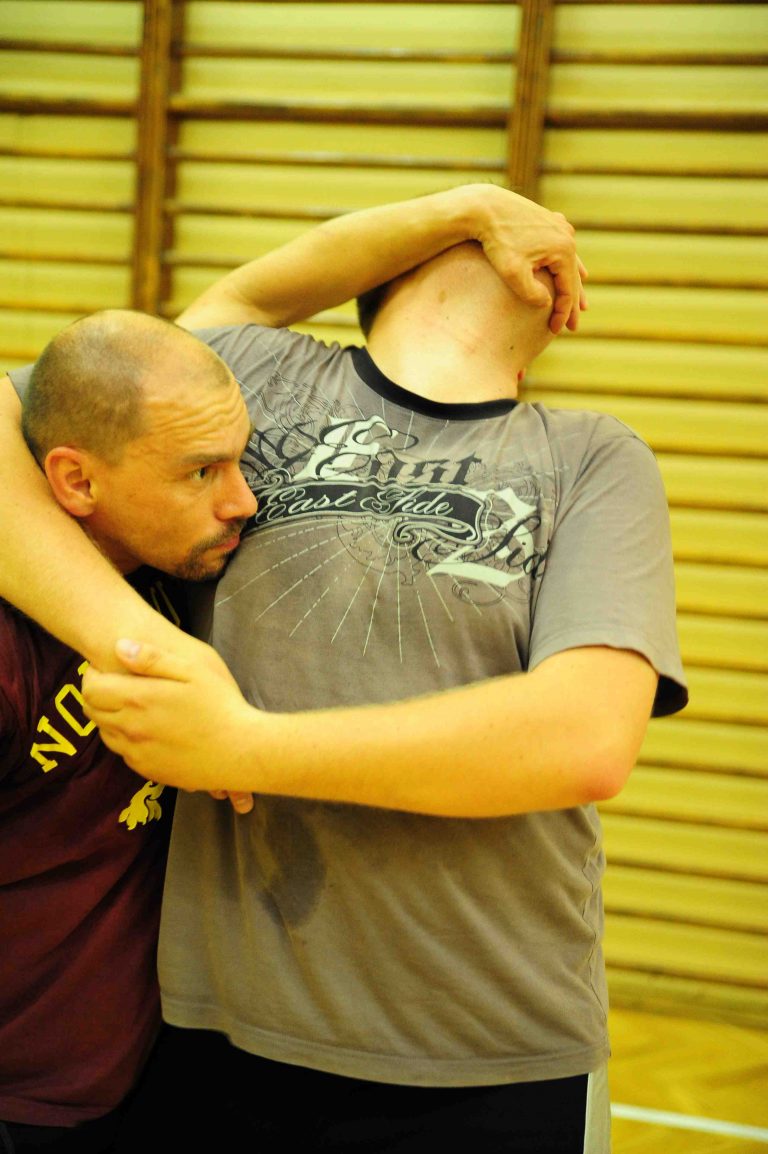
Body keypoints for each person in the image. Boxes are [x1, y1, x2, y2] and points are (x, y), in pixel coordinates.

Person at [0, 184, 588, 1153]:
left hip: (157, 1074)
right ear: (77, 478)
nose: (244, 501)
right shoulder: (26, 624)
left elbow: (256, 298)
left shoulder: (182, 553)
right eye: (202, 471)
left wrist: (470, 209)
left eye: (242, 461)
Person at [81, 243, 686, 1153]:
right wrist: (457, 209)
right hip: (220, 1034)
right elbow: (112, 368)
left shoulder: (593, 456)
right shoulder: (252, 377)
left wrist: (241, 747)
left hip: (490, 1048)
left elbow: (587, 739)